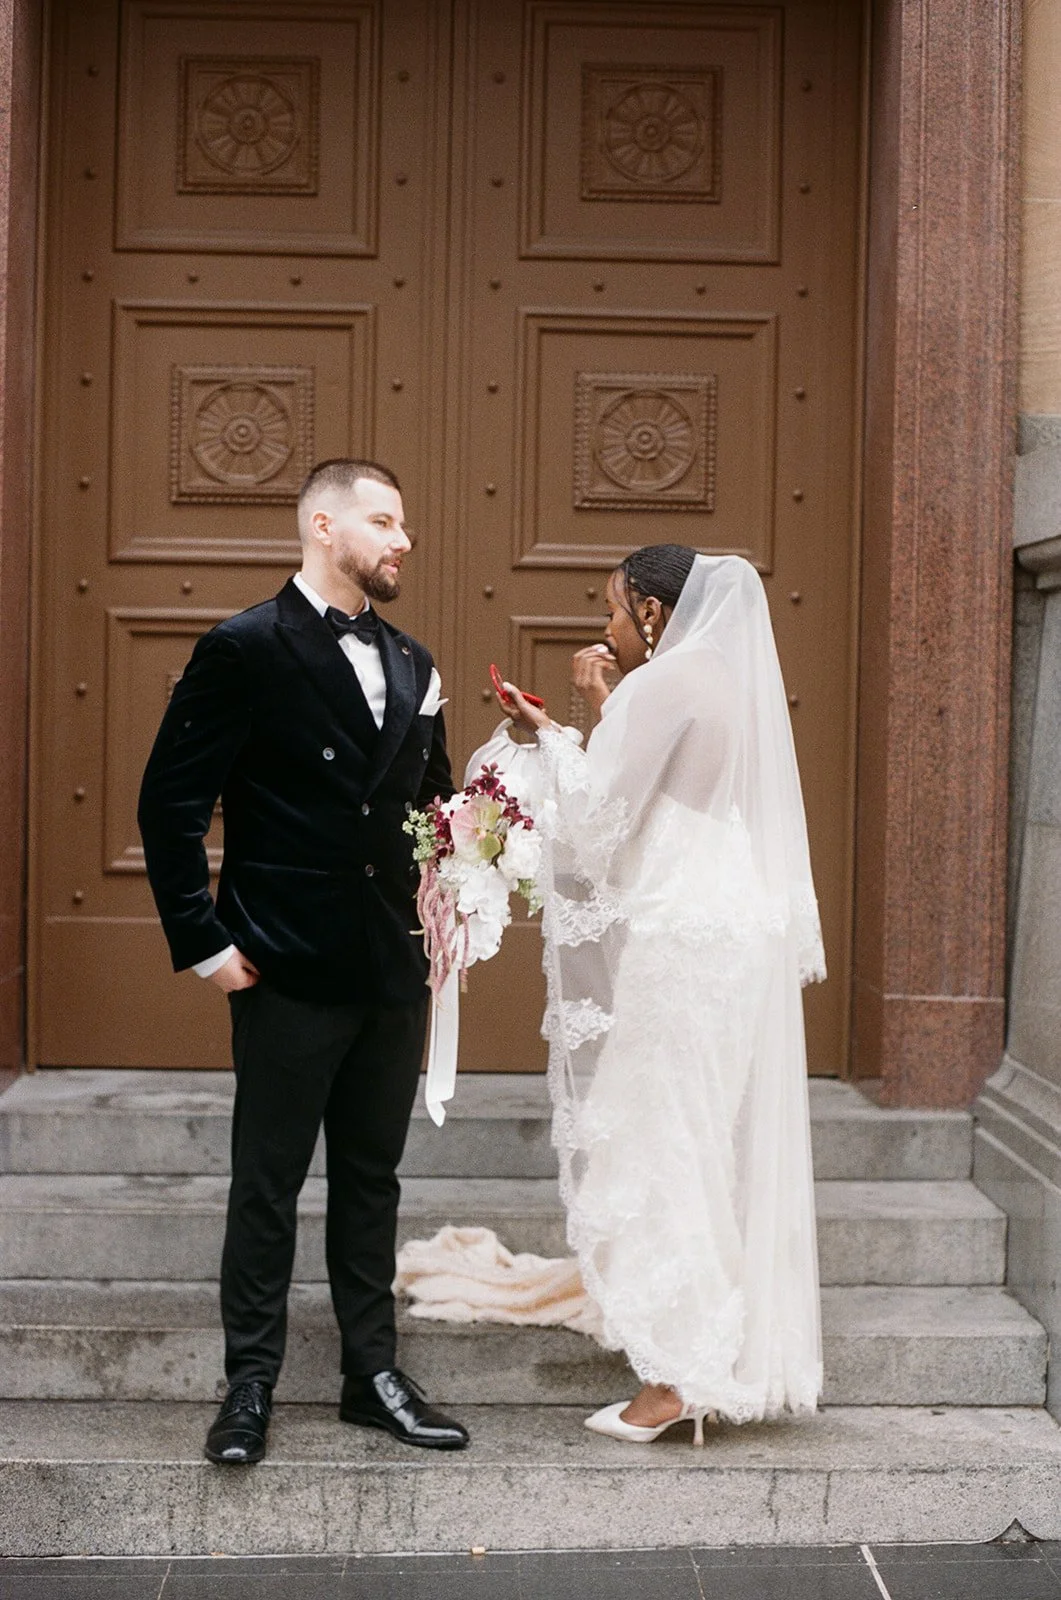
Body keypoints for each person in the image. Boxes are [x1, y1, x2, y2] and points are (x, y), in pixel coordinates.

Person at [137, 458, 469, 1464]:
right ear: (322, 525)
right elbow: (169, 803)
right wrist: (207, 944)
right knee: (266, 1181)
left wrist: (470, 872)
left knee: (371, 1178)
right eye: (383, 519)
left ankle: (372, 1373)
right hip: (282, 962)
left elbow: (435, 810)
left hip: (388, 966)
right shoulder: (244, 646)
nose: (401, 538)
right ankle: (248, 1385)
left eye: (403, 521)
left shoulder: (413, 663)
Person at [487, 545, 825, 1442]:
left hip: (678, 942)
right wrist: (596, 713)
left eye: (610, 609)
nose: (602, 628)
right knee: (700, 1135)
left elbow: (599, 825)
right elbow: (672, 793)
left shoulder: (662, 681)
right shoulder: (727, 679)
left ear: (647, 607)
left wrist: (539, 744)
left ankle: (676, 1378)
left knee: (659, 1140)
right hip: (731, 930)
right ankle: (719, 1350)